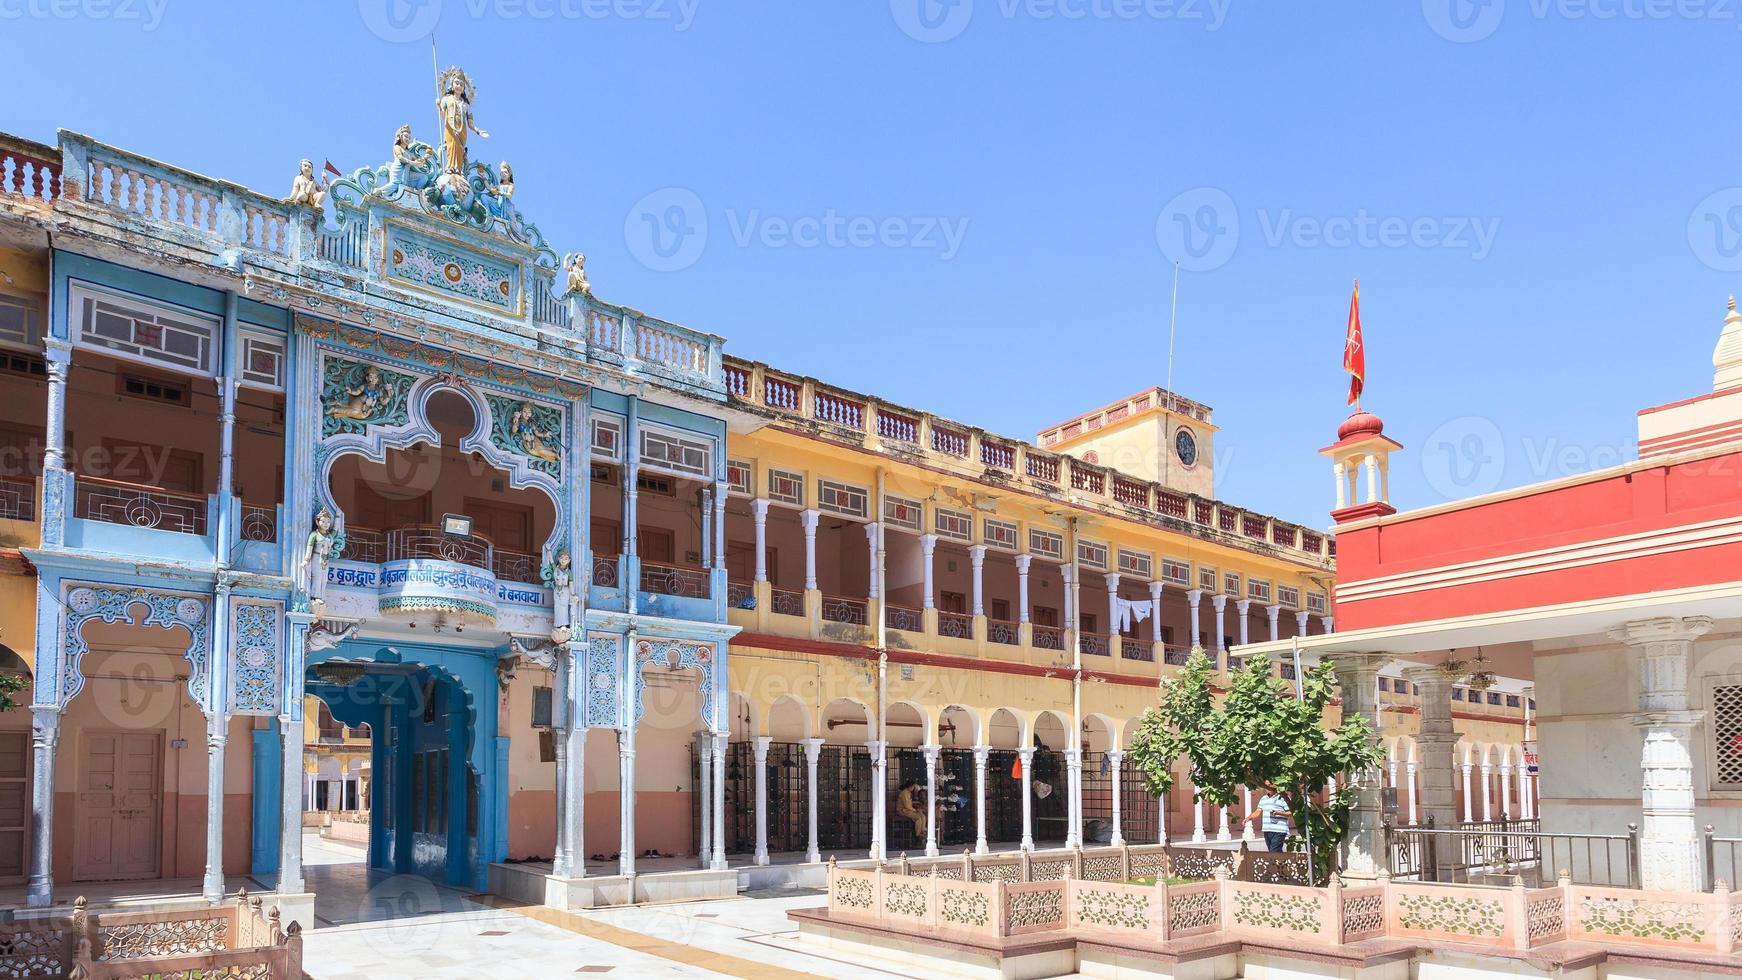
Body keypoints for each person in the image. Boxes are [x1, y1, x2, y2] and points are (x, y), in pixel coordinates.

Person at [1245, 782, 1292, 853]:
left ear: (1275, 785)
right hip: (1267, 830)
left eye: (1269, 785)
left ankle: (1275, 863)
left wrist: (1278, 813)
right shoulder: (1264, 798)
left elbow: (1291, 812)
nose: (1267, 787)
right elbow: (1258, 811)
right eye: (1265, 785)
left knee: (1273, 851)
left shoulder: (1282, 798)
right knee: (1274, 851)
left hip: (1279, 830)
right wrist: (1248, 818)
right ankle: (1281, 863)